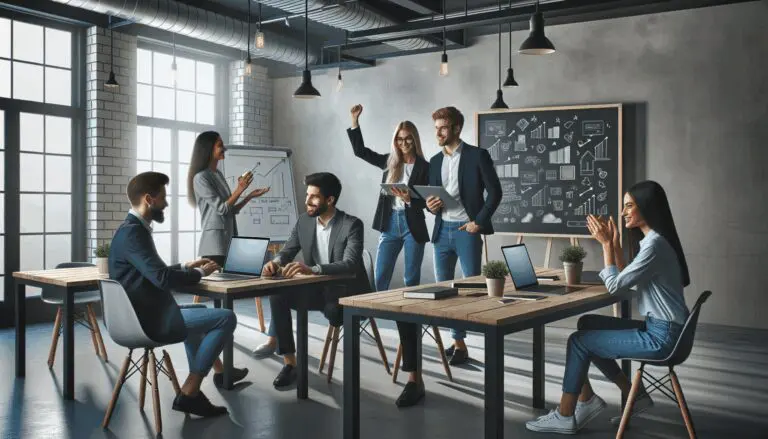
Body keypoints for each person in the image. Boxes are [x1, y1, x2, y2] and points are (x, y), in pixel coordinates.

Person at [526, 180, 690, 434]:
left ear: (646, 206)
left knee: (579, 341)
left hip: (662, 337)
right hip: (665, 329)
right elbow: (628, 279)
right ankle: (631, 396)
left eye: (629, 206)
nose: (623, 212)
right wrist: (614, 244)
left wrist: (604, 246)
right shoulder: (655, 242)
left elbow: (615, 286)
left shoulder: (654, 245)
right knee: (587, 323)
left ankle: (566, 414)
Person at [110, 172, 250, 417]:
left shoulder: (129, 229)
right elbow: (162, 279)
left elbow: (152, 272)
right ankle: (190, 392)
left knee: (201, 311)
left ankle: (220, 373)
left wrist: (186, 266)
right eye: (163, 198)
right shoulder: (134, 233)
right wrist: (200, 273)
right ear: (148, 199)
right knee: (226, 318)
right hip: (146, 321)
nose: (166, 203)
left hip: (139, 314)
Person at [259, 172, 371, 388]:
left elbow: (350, 263)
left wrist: (313, 270)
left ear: (330, 200)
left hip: (346, 293)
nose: (307, 201)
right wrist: (275, 262)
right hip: (317, 290)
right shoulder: (304, 221)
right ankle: (290, 364)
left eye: (314, 196)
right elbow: (288, 250)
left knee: (333, 312)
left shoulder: (352, 224)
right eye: (307, 195)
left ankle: (350, 383)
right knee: (277, 294)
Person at [418, 106, 502, 366]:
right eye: (436, 128)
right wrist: (430, 206)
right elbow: (432, 199)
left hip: (467, 230)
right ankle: (459, 343)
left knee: (469, 289)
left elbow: (495, 193)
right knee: (443, 290)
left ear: (456, 128)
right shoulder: (434, 161)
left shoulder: (477, 156)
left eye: (443, 128)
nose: (438, 133)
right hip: (441, 231)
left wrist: (478, 222)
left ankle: (470, 340)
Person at [187, 131, 269, 297]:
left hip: (229, 237)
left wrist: (249, 196)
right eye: (220, 145)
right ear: (208, 149)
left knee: (234, 285)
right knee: (217, 289)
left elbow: (231, 210)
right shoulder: (200, 178)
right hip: (215, 242)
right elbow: (222, 208)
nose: (224, 148)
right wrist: (240, 189)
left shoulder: (218, 174)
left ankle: (226, 313)